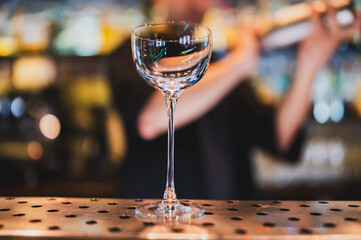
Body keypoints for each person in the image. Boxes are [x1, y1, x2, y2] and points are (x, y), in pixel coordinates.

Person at [110, 0, 360, 199]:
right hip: (153, 222)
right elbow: (149, 120)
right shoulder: (132, 53)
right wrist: (240, 63)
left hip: (228, 223)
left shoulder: (221, 67)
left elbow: (280, 137)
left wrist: (311, 59)